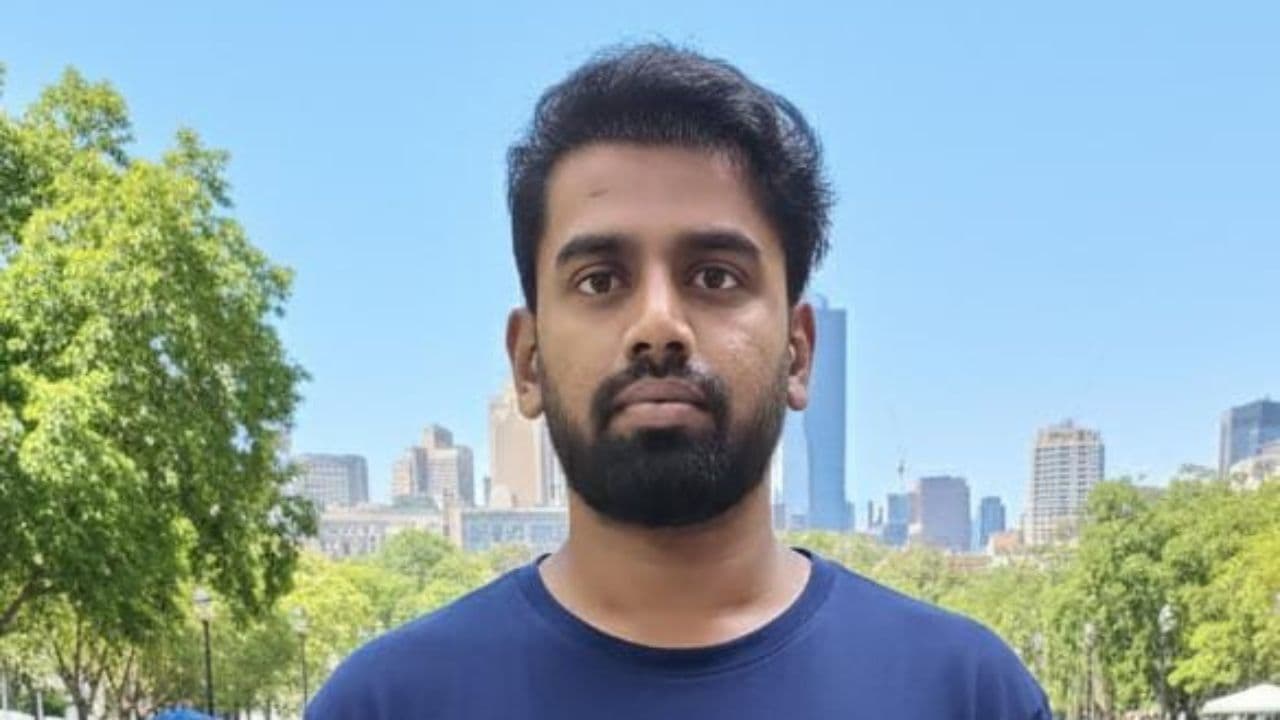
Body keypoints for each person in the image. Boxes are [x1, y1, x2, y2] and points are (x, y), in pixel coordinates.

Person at [307, 43, 1052, 719]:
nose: (658, 324)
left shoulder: (966, 693)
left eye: (715, 276)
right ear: (527, 360)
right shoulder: (385, 703)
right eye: (600, 281)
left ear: (799, 353)